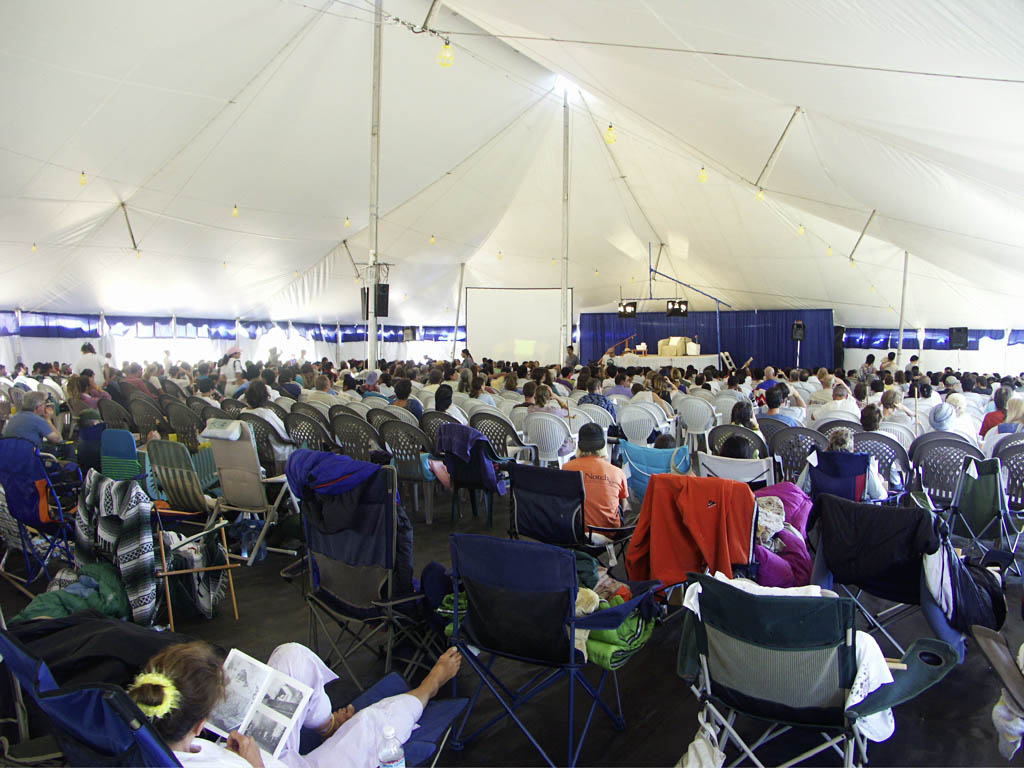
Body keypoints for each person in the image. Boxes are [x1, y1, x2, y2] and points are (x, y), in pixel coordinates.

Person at [128, 640, 461, 768]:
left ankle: (328, 725)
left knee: (291, 656)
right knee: (374, 726)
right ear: (200, 723)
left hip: (256, 752)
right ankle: (430, 685)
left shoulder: (140, 738)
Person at [562, 423, 628, 530]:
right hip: (610, 532)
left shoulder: (566, 468)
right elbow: (624, 506)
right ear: (603, 445)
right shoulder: (618, 472)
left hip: (576, 531)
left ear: (579, 445)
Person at [241, 381, 295, 473]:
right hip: (279, 453)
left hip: (260, 453)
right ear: (266, 397)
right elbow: (285, 434)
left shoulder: (243, 413)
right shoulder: (267, 414)